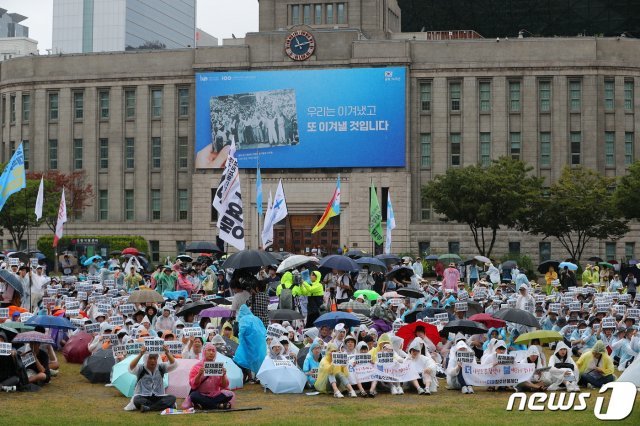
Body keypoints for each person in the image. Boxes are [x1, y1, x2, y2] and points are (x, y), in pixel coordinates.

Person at [129, 344, 177, 412]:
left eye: (155, 358)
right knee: (136, 399)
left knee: (172, 398)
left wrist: (167, 353)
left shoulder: (161, 367)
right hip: (144, 396)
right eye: (150, 358)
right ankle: (161, 406)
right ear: (146, 359)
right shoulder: (141, 368)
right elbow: (131, 367)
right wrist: (140, 354)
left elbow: (174, 364)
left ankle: (149, 408)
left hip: (158, 396)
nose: (153, 361)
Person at [185, 343, 234, 410]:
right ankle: (218, 405)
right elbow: (193, 384)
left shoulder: (218, 367)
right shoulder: (197, 367)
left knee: (230, 394)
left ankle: (206, 405)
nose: (211, 353)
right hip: (201, 394)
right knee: (194, 396)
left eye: (213, 351)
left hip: (215, 395)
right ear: (204, 352)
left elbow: (224, 385)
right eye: (209, 350)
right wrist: (199, 375)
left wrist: (223, 375)